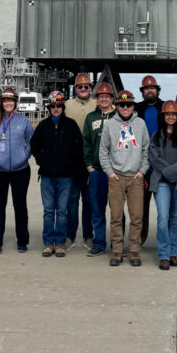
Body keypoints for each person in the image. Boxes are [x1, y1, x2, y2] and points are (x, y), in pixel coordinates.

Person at [99, 89, 149, 267]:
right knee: (116, 216)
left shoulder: (140, 124)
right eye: (122, 104)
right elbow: (103, 150)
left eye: (128, 104)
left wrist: (142, 171)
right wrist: (110, 172)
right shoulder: (109, 124)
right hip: (117, 177)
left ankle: (134, 250)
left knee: (137, 216)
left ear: (133, 106)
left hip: (135, 177)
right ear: (117, 106)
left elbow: (146, 150)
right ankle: (117, 250)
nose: (125, 107)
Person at [30, 91, 84, 257]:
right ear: (49, 108)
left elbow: (78, 147)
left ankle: (59, 243)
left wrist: (71, 165)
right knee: (48, 211)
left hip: (65, 176)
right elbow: (34, 146)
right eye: (52, 106)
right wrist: (42, 162)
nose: (55, 108)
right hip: (47, 175)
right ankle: (48, 243)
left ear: (62, 107)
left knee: (61, 210)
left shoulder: (71, 125)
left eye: (58, 106)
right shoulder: (43, 126)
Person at [0, 87, 34, 253]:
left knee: (20, 205)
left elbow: (32, 141)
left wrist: (23, 156)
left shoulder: (23, 121)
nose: (8, 103)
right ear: (1, 103)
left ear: (16, 103)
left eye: (11, 100)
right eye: (5, 100)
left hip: (20, 170)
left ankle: (22, 241)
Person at [148, 100, 177, 270]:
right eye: (168, 114)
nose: (171, 117)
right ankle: (164, 255)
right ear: (163, 116)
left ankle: (173, 253)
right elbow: (154, 158)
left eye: (174, 114)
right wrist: (169, 173)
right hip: (162, 183)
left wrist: (171, 172)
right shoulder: (156, 136)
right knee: (162, 218)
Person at [82, 82, 115, 256]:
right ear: (97, 99)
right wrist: (89, 166)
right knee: (97, 209)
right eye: (101, 96)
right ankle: (99, 243)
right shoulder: (91, 118)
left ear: (111, 99)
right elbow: (86, 143)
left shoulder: (119, 116)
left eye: (107, 96)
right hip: (97, 171)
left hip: (116, 172)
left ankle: (117, 243)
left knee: (117, 210)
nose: (103, 99)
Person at [65, 73, 97, 250]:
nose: (83, 89)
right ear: (75, 88)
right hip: (72, 162)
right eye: (80, 87)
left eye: (86, 87)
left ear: (91, 88)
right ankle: (70, 235)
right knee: (72, 199)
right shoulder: (67, 106)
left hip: (91, 161)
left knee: (89, 201)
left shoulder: (97, 105)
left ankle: (88, 235)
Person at [136, 74, 164, 245]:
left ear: (157, 90)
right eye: (146, 88)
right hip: (143, 168)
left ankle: (164, 241)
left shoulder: (165, 108)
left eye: (152, 88)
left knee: (164, 210)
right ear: (143, 91)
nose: (150, 90)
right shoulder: (137, 109)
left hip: (161, 167)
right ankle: (140, 238)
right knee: (141, 208)